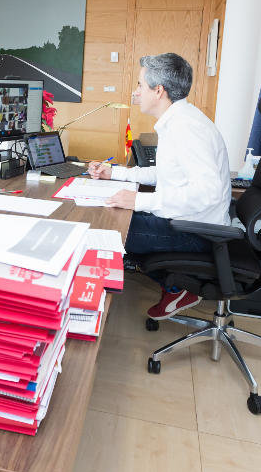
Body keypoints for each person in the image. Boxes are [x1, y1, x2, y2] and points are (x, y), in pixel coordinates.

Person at [87, 53, 231, 320]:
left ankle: (87, 312)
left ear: (159, 91)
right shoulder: (179, 120)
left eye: (140, 85)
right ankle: (177, 287)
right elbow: (164, 173)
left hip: (195, 232)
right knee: (114, 217)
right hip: (186, 221)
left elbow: (207, 192)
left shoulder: (187, 128)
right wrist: (116, 173)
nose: (136, 92)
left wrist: (139, 201)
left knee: (105, 230)